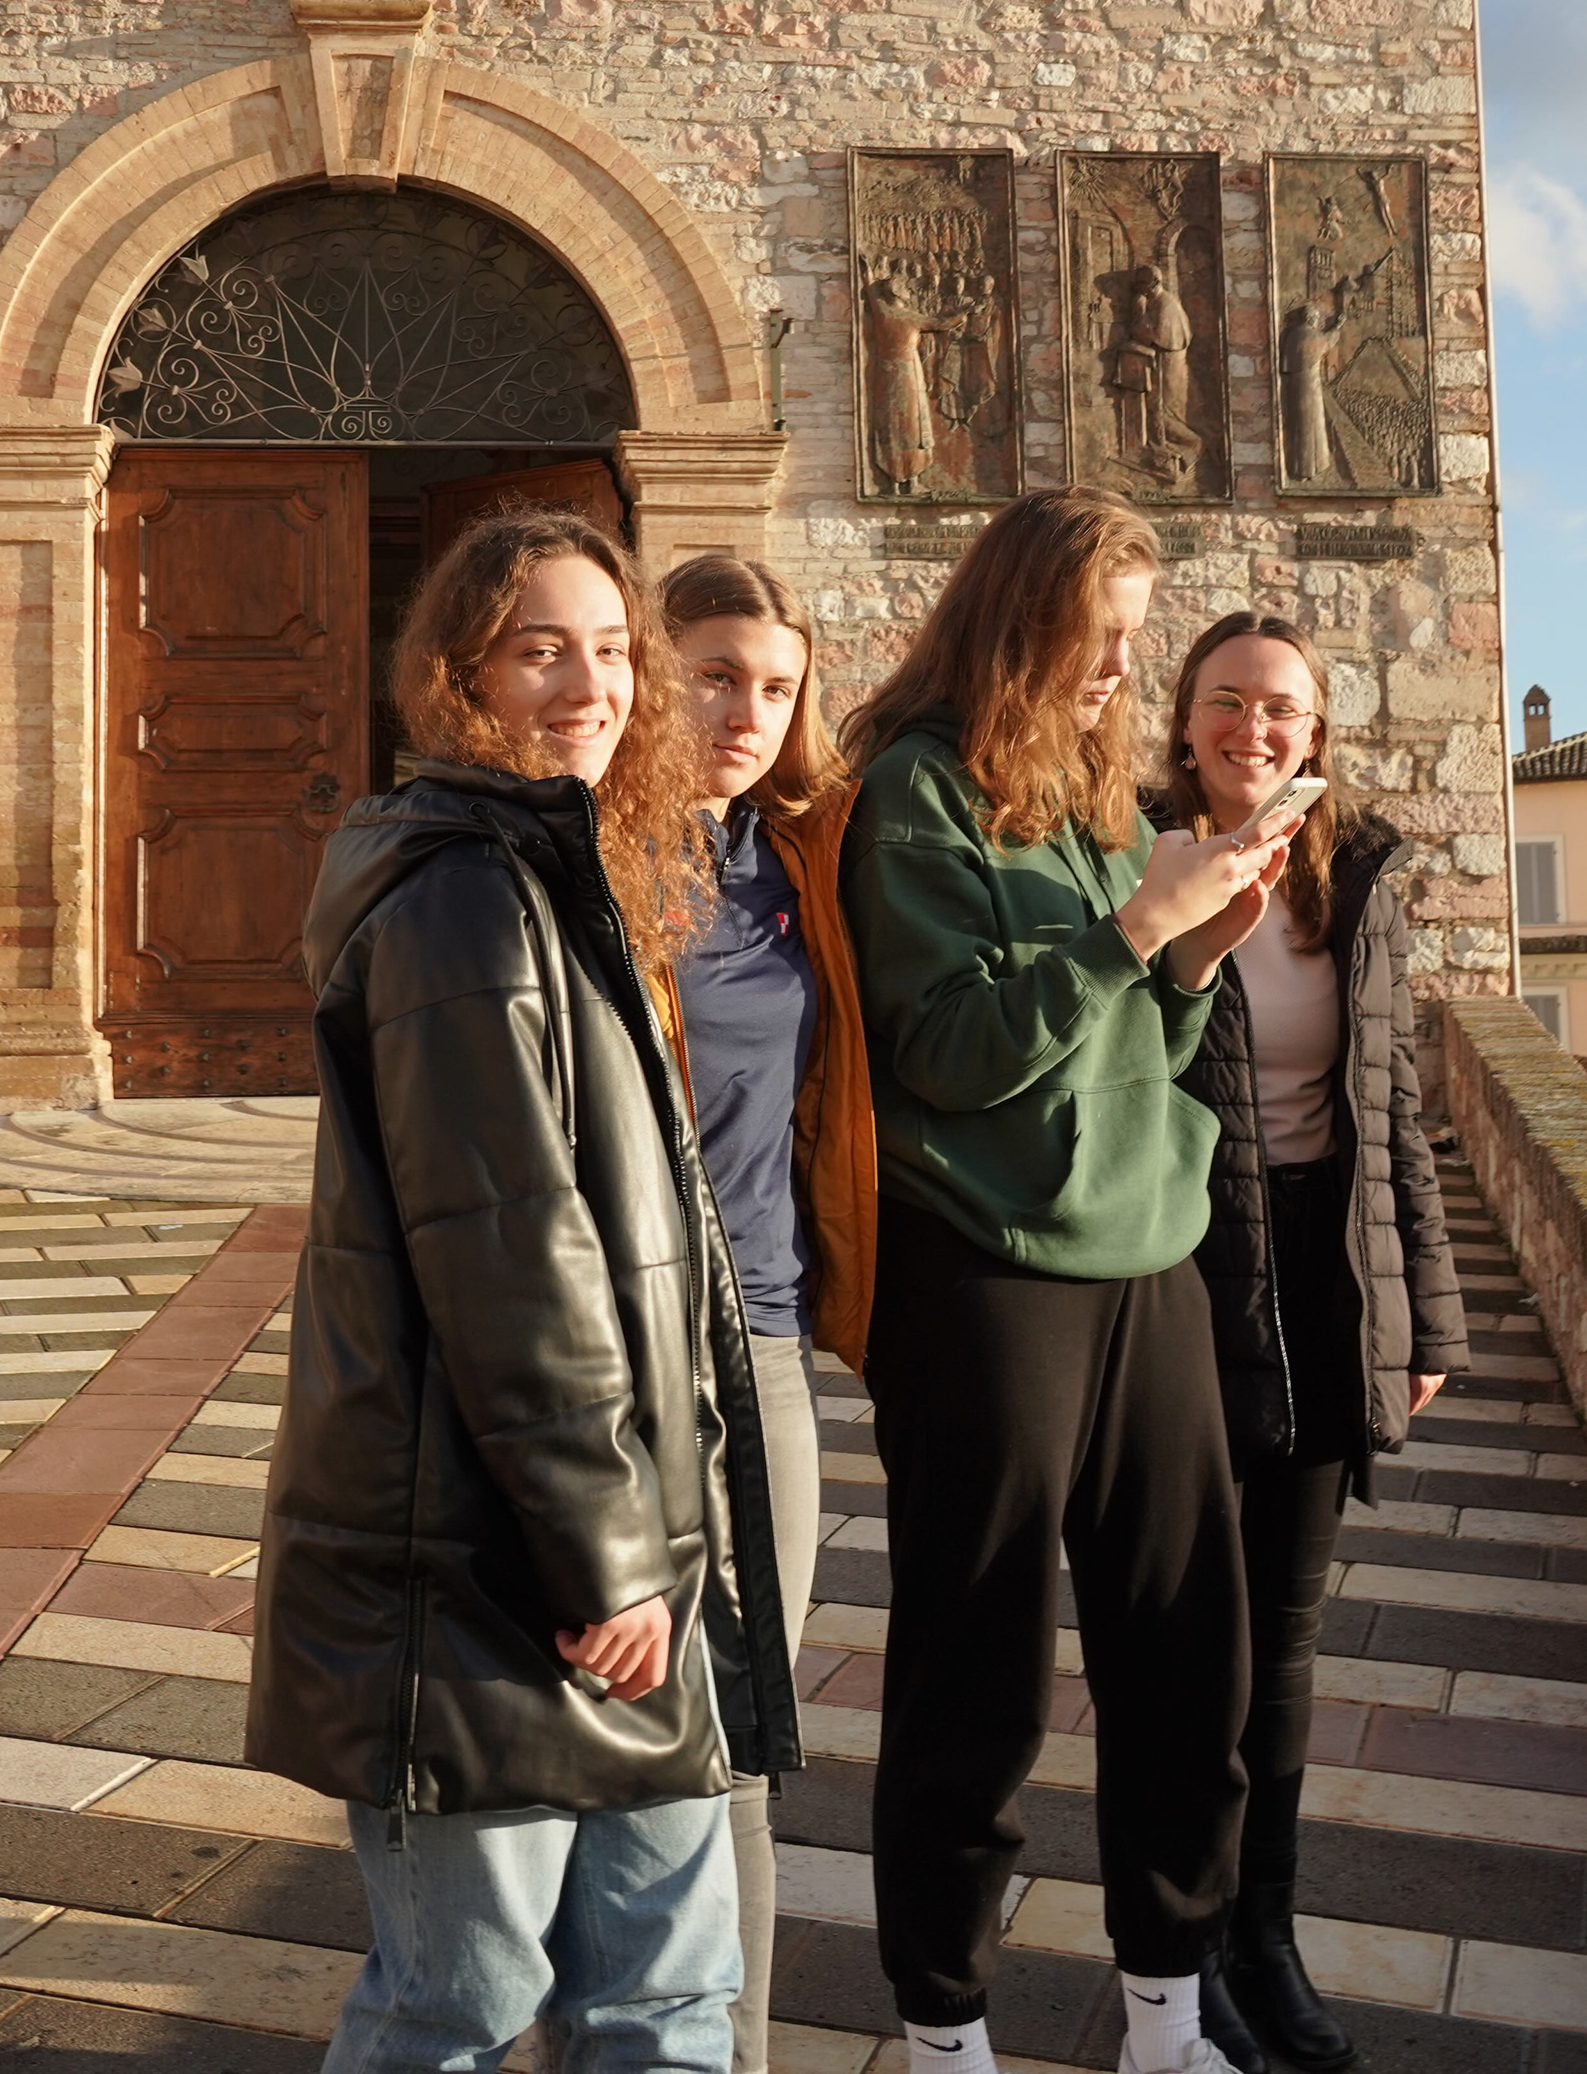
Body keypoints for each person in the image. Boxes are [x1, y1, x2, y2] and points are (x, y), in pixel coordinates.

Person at [251, 506, 796, 2074]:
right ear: (461, 675)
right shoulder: (464, 902)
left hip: (616, 1548)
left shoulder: (568, 872)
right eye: (542, 650)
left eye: (613, 649)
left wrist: (648, 1551)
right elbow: (509, 1257)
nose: (592, 685)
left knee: (670, 2000)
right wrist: (609, 1560)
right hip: (490, 1572)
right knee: (459, 2005)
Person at [840, 486, 1298, 2074]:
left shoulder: (1101, 792)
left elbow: (1145, 1049)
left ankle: (1167, 2015)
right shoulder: (915, 790)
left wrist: (1192, 954)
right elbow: (950, 1052)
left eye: (1132, 637)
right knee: (976, 1676)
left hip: (1149, 1258)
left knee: (1188, 1659)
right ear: (1015, 619)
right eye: (1097, 636)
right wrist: (1130, 934)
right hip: (986, 1277)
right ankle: (944, 2031)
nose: (1120, 669)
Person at [1159, 614, 1469, 2074]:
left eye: (1281, 707)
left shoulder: (1355, 877)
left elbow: (1391, 1101)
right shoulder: (1143, 857)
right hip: (1184, 1271)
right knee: (1187, 1645)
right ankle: (1180, 1952)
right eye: (1227, 702)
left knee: (1282, 1646)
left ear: (1317, 731)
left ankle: (1263, 1940)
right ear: (1186, 720)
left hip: (1330, 1280)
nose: (1254, 728)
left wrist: (1428, 1316)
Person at [660, 551, 880, 2074]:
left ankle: (732, 2056)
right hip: (612, 1352)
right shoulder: (574, 859)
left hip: (766, 1335)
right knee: (602, 1737)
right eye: (716, 676)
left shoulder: (802, 856)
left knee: (746, 1738)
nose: (748, 710)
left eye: (777, 686)